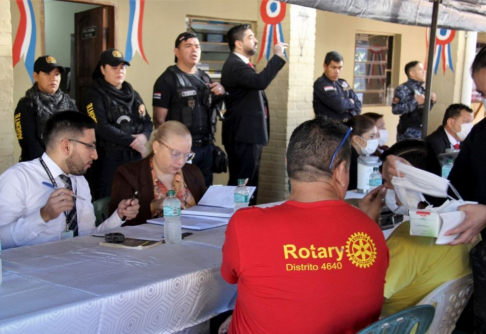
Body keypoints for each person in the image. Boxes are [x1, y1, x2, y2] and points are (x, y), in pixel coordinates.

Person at [220, 117, 389, 334]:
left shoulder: (244, 224)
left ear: (288, 163)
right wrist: (364, 222)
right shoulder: (371, 230)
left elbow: (229, 278)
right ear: (340, 170)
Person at [0, 111, 139, 249]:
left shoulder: (79, 181)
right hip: (30, 268)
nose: (95, 155)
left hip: (77, 264)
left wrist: (119, 216)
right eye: (90, 146)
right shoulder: (18, 178)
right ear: (66, 146)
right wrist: (43, 216)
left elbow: (87, 237)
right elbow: (2, 240)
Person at [378, 139, 474, 317]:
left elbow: (363, 298)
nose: (384, 191)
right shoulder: (469, 227)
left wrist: (366, 226)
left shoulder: (407, 240)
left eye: (388, 183)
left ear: (409, 183)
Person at [221, 24, 287, 205]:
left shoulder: (242, 65)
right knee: (242, 183)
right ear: (238, 43)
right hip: (243, 134)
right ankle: (237, 221)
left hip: (249, 134)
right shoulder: (235, 64)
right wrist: (277, 56)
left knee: (250, 184)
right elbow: (260, 81)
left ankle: (247, 219)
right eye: (250, 37)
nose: (256, 40)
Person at [152, 32, 226, 187]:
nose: (194, 50)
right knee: (181, 191)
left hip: (206, 147)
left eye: (197, 46)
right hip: (180, 151)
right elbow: (159, 120)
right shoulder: (167, 80)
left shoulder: (205, 78)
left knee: (204, 192)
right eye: (188, 46)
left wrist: (220, 91)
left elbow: (212, 109)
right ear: (177, 52)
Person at [84, 49, 153, 200]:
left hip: (134, 158)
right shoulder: (94, 94)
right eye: (114, 68)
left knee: (136, 200)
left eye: (122, 67)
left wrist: (144, 136)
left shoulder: (132, 94)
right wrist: (132, 141)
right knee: (110, 201)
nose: (119, 71)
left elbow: (147, 121)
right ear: (102, 69)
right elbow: (100, 127)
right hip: (109, 160)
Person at [109, 121, 206, 226]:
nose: (181, 161)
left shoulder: (193, 172)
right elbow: (117, 221)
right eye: (176, 154)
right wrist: (154, 206)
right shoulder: (128, 175)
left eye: (187, 155)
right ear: (156, 147)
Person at [14, 55, 78, 162]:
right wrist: (52, 164)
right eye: (47, 73)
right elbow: (28, 143)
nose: (53, 78)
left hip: (67, 165)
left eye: (56, 74)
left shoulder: (69, 103)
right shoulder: (26, 104)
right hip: (36, 166)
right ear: (36, 76)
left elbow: (79, 134)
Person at [392, 61, 437, 141]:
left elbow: (423, 110)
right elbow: (395, 109)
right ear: (412, 73)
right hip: (408, 132)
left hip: (421, 130)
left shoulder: (422, 89)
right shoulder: (402, 88)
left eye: (423, 69)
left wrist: (431, 102)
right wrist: (416, 102)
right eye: (420, 70)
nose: (424, 71)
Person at [313, 51, 362, 120]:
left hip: (347, 126)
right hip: (328, 128)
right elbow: (339, 106)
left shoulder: (342, 83)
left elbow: (358, 105)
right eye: (333, 67)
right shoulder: (321, 84)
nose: (337, 71)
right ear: (325, 66)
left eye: (340, 68)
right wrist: (350, 102)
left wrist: (349, 111)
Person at [344, 115, 378, 190]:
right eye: (371, 136)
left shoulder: (355, 156)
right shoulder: (353, 162)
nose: (375, 140)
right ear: (357, 139)